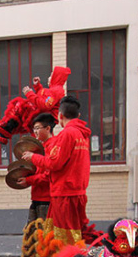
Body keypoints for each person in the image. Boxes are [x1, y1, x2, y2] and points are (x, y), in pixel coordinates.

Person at [22, 96, 90, 245]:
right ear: (78, 116)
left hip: (64, 193)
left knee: (62, 240)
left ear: (59, 116)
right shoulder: (82, 135)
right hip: (76, 192)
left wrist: (33, 157)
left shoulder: (67, 134)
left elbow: (54, 163)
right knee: (72, 236)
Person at [0, 66, 71, 144]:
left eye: (51, 75)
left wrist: (30, 94)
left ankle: (5, 131)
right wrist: (37, 86)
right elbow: (43, 97)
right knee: (20, 109)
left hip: (44, 117)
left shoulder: (56, 90)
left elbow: (44, 105)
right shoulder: (54, 90)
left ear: (57, 77)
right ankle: (4, 131)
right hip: (41, 115)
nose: (49, 78)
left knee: (20, 106)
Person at [16, 113, 56, 223]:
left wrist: (28, 180)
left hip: (47, 199)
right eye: (34, 129)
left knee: (43, 234)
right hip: (37, 197)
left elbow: (49, 176)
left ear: (48, 128)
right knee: (32, 233)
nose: (35, 132)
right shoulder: (40, 147)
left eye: (37, 128)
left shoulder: (53, 146)